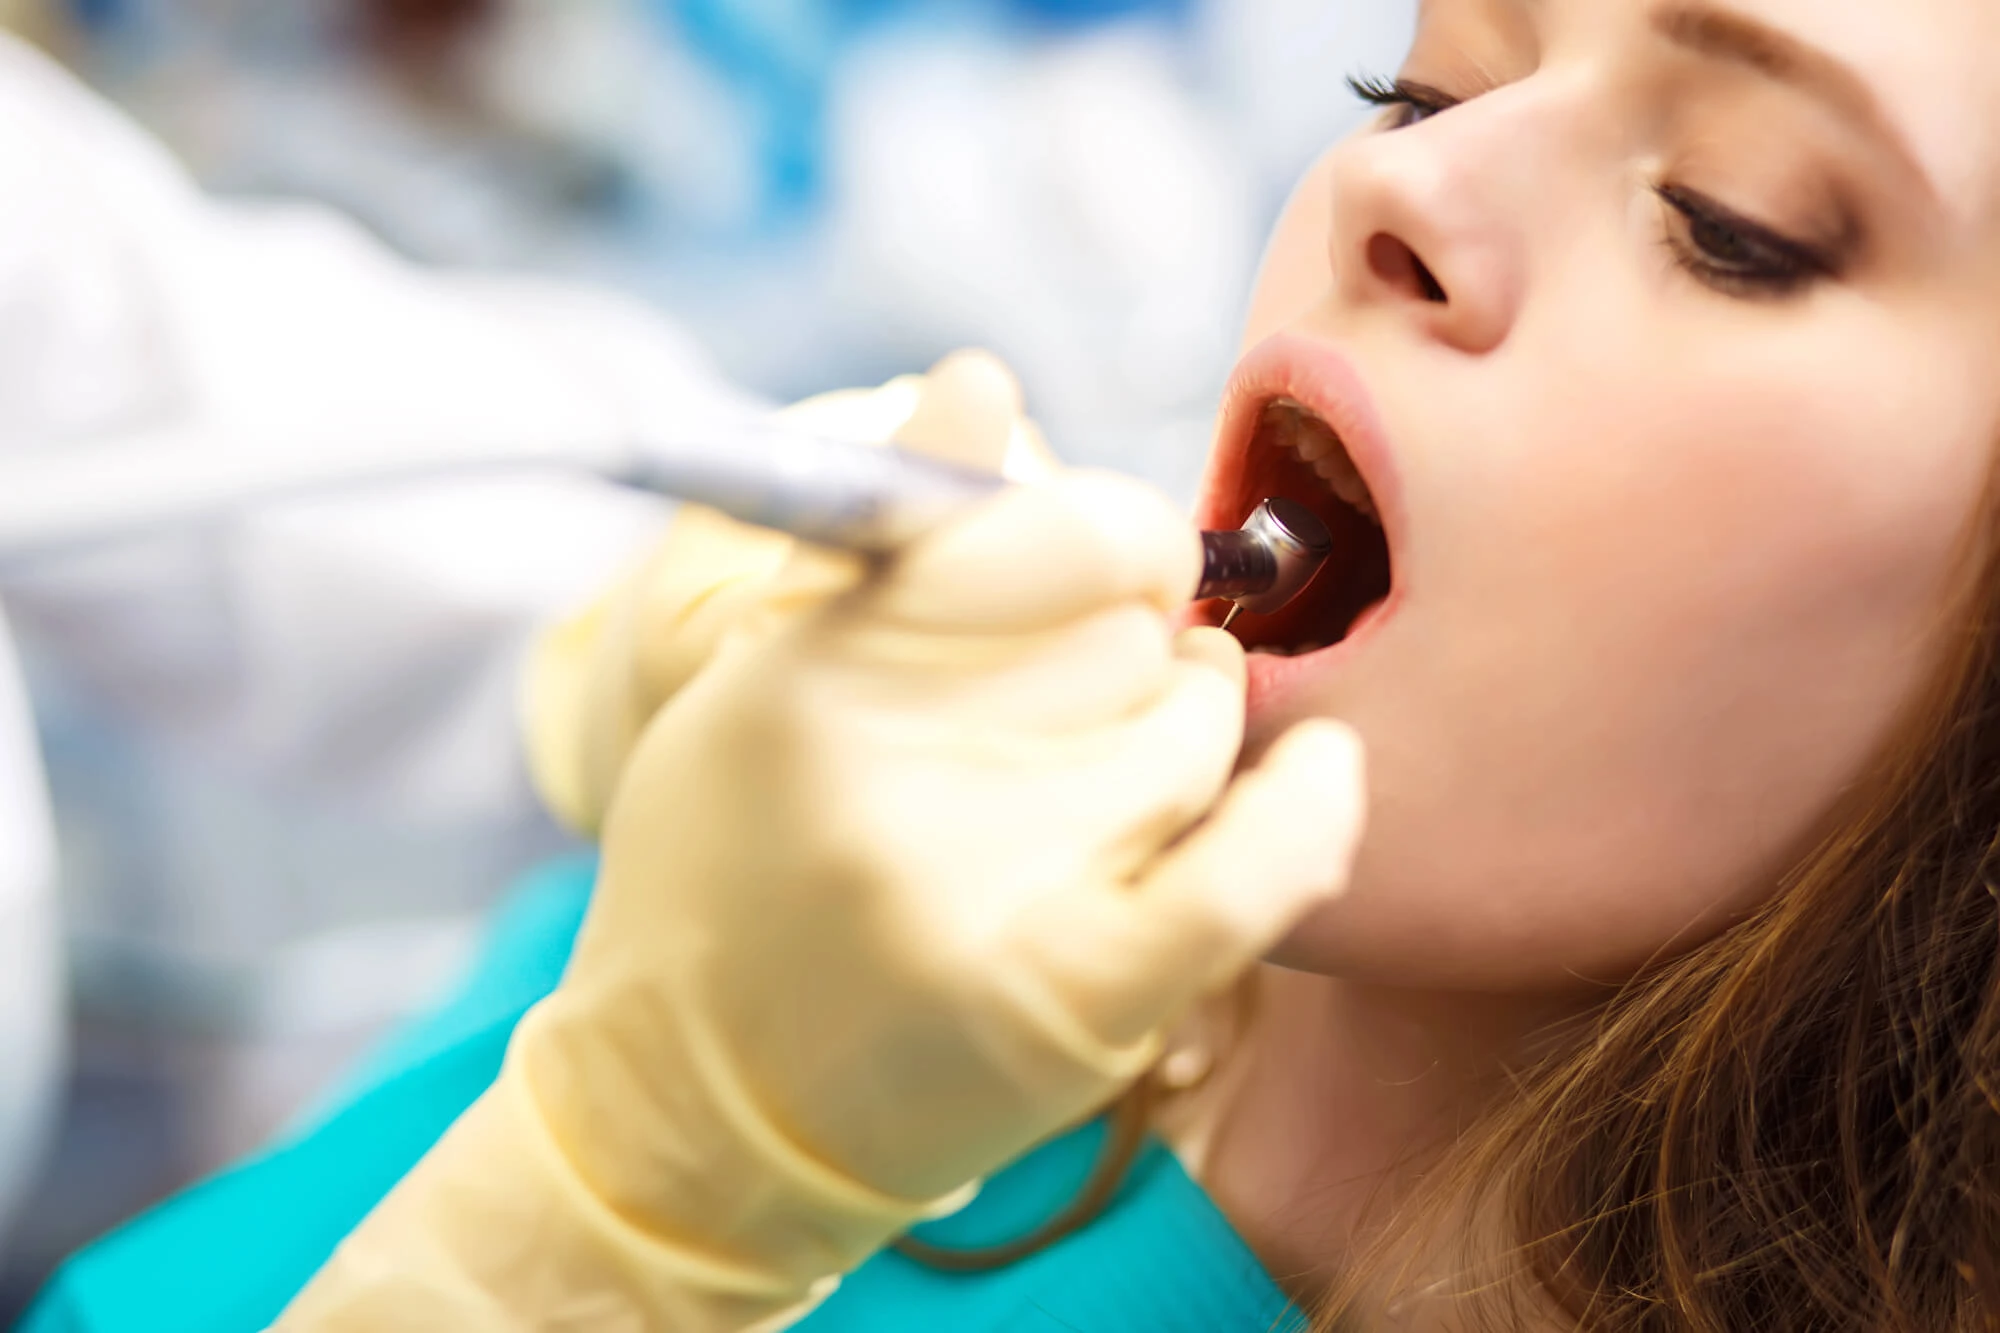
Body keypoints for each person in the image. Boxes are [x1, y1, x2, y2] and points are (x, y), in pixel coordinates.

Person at [25, 0, 2000, 1329]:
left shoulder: (751, 1058)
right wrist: (611, 672)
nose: (1399, 187)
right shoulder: (819, 915)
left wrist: (624, 1226)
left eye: (1722, 220)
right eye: (1431, 79)